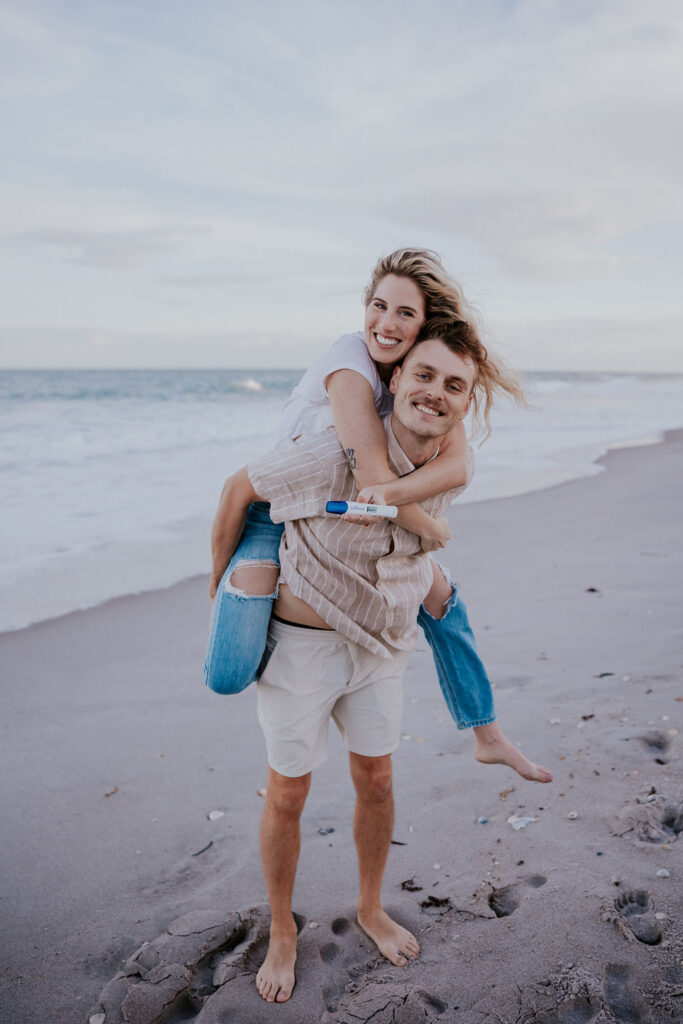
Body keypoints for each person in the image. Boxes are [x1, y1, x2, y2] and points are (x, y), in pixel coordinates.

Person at [205, 248, 552, 784]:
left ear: (425, 323)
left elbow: (457, 466)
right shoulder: (352, 362)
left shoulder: (422, 373)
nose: (385, 324)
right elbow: (373, 480)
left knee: (445, 601)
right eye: (378, 305)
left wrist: (409, 509)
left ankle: (488, 734)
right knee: (228, 676)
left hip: (336, 512)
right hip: (267, 515)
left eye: (405, 314)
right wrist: (431, 528)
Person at [221, 328, 489, 1003]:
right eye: (422, 375)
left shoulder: (442, 464)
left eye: (453, 385)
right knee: (286, 793)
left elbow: (434, 525)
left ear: (465, 403)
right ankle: (282, 928)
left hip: (379, 650)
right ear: (394, 379)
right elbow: (236, 490)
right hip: (300, 651)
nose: (434, 392)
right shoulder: (327, 452)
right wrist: (218, 588)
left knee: (376, 779)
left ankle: (371, 907)